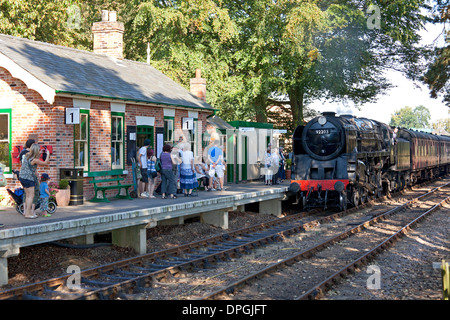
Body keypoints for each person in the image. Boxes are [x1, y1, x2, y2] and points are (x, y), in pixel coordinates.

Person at [19, 144, 50, 219]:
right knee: (31, 196)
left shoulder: (27, 155)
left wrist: (40, 153)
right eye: (38, 150)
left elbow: (34, 156)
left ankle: (27, 212)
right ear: (36, 151)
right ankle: (28, 214)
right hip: (29, 178)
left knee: (27, 195)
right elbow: (45, 163)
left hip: (22, 177)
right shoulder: (34, 160)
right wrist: (48, 154)